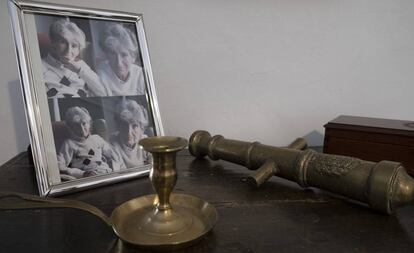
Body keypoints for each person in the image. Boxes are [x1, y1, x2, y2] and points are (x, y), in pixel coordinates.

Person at [42, 18, 106, 98]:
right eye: (63, 42)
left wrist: (80, 70)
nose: (69, 50)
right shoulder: (41, 67)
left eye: (74, 45)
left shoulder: (81, 66)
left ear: (79, 50)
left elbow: (104, 93)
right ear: (53, 43)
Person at [57, 106, 125, 180]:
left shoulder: (97, 138)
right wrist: (81, 174)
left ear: (89, 123)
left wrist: (115, 169)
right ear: (71, 127)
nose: (82, 129)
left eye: (84, 123)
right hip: (91, 178)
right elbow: (60, 166)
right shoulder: (69, 144)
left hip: (108, 173)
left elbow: (113, 154)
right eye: (76, 126)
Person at [98, 23, 145, 96]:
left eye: (124, 55)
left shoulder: (141, 75)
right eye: (113, 54)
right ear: (107, 55)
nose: (119, 63)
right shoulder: (101, 76)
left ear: (133, 57)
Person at [110, 99, 149, 169]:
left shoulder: (145, 141)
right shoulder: (113, 145)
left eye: (134, 126)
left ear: (141, 128)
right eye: (124, 125)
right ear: (118, 126)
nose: (129, 132)